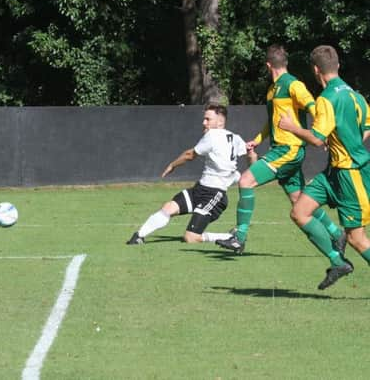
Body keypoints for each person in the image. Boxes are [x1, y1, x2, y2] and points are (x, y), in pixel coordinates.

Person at [215, 44, 344, 255]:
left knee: (246, 181)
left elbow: (314, 107)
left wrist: (323, 134)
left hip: (288, 150)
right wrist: (257, 140)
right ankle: (337, 234)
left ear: (268, 65)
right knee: (299, 200)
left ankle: (240, 236)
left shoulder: (294, 85)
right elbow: (273, 122)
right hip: (284, 150)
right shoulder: (272, 91)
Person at [278, 45, 370, 289]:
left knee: (356, 238)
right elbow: (367, 127)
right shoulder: (356, 96)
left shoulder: (327, 99)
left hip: (351, 174)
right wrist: (342, 142)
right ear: (337, 65)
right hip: (334, 172)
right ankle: (338, 262)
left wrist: (291, 127)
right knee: (299, 212)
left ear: (315, 70)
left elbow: (317, 139)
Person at [126, 103, 252, 245]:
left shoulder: (213, 135)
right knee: (168, 207)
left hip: (214, 195)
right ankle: (138, 236)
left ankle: (230, 237)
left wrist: (172, 165)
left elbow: (190, 154)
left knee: (190, 238)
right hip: (199, 189)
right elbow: (250, 153)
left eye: (208, 119)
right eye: (204, 119)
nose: (203, 123)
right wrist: (252, 171)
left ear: (220, 122)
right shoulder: (236, 137)